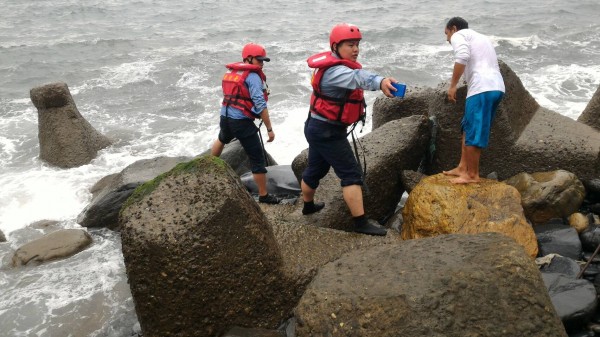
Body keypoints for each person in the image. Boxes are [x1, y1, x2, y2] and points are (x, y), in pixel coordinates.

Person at [300, 23, 398, 236]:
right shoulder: (336, 72)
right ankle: (361, 223)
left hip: (317, 127)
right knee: (351, 174)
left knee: (316, 170)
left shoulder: (331, 65)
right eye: (350, 45)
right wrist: (380, 82)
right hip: (327, 131)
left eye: (357, 45)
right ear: (335, 47)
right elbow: (358, 78)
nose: (356, 49)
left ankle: (307, 206)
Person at [211, 42, 280, 204]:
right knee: (257, 158)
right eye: (259, 60)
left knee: (222, 138)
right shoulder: (253, 77)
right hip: (241, 122)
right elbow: (260, 104)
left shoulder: (232, 72)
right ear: (248, 58)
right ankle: (264, 195)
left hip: (225, 116)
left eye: (263, 61)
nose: (262, 64)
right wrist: (269, 129)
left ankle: (207, 167)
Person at [442, 17, 505, 184]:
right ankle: (463, 167)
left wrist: (453, 85)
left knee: (474, 131)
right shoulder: (480, 37)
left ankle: (472, 175)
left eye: (447, 33)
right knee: (468, 125)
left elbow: (462, 56)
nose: (447, 38)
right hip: (496, 86)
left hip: (482, 88)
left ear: (453, 29)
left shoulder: (458, 35)